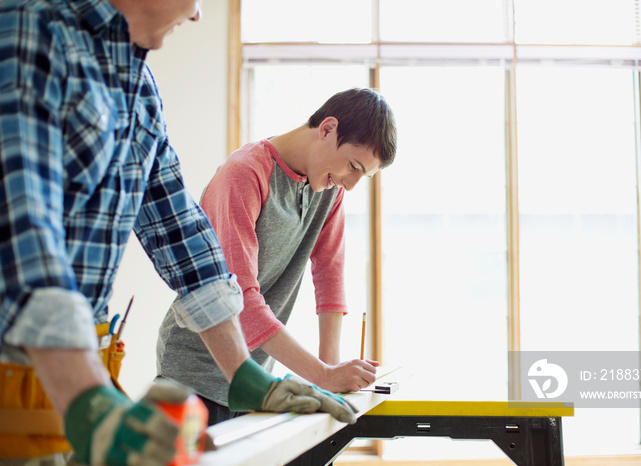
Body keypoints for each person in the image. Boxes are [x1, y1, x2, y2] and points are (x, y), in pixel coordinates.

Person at [0, 1, 357, 465]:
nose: (197, 16)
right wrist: (89, 402)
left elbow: (183, 237)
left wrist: (243, 375)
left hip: (58, 381)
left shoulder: (138, 86)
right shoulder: (30, 29)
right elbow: (24, 229)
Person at [156, 87, 398, 424]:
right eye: (353, 167)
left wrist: (331, 371)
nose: (351, 184)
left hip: (259, 376)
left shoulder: (329, 189)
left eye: (364, 176)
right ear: (327, 129)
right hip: (194, 372)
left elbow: (330, 274)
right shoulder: (245, 173)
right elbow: (239, 298)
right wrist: (323, 376)